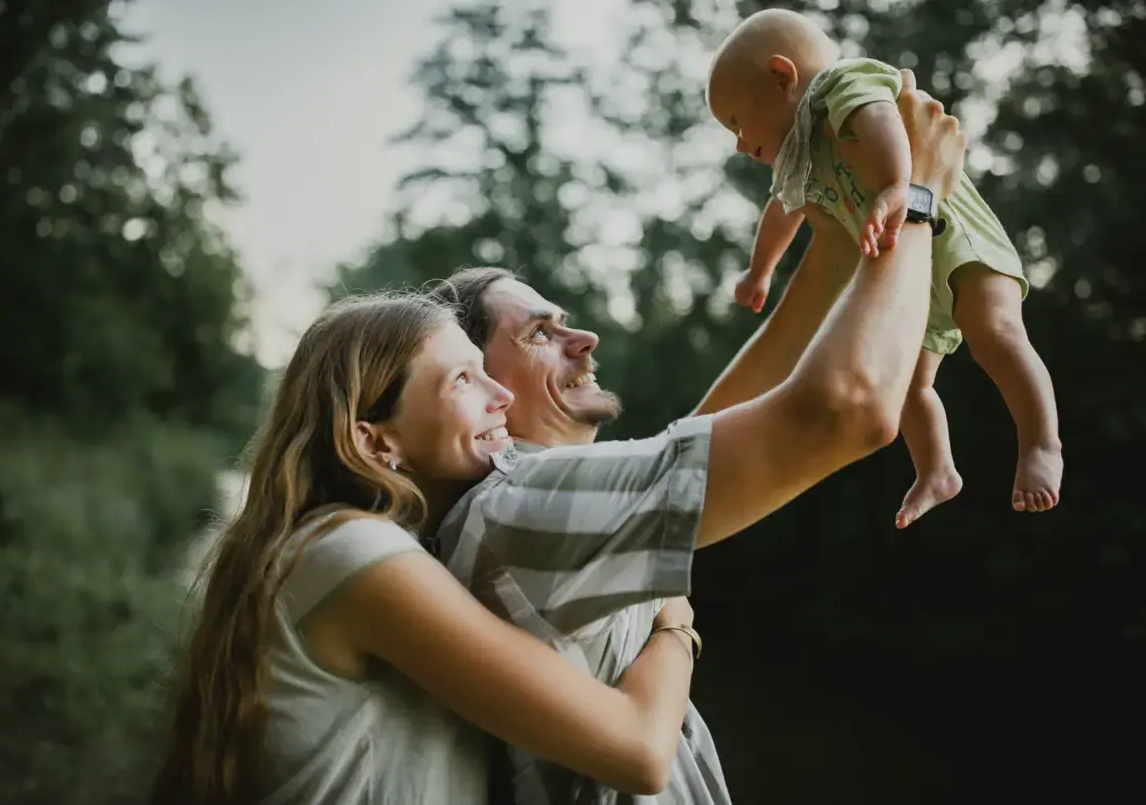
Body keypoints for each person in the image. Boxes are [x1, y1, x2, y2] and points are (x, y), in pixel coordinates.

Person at [426, 69, 968, 804]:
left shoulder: (541, 504)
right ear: (475, 384)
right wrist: (919, 200)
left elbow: (726, 418)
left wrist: (847, 200)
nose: (584, 336)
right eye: (541, 334)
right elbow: (848, 409)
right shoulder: (514, 507)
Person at [150, 294, 705, 805]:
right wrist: (674, 622)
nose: (502, 397)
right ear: (375, 441)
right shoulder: (355, 551)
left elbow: (692, 445)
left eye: (485, 370)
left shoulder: (366, 545)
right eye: (464, 379)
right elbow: (639, 751)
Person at [707, 8, 1062, 528]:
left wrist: (902, 184)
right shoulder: (801, 159)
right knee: (910, 387)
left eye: (737, 122)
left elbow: (878, 117)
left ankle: (1041, 443)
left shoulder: (838, 85)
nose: (739, 143)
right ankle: (937, 469)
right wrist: (759, 271)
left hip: (954, 236)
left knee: (998, 334)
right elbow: (784, 209)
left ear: (781, 76)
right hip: (913, 274)